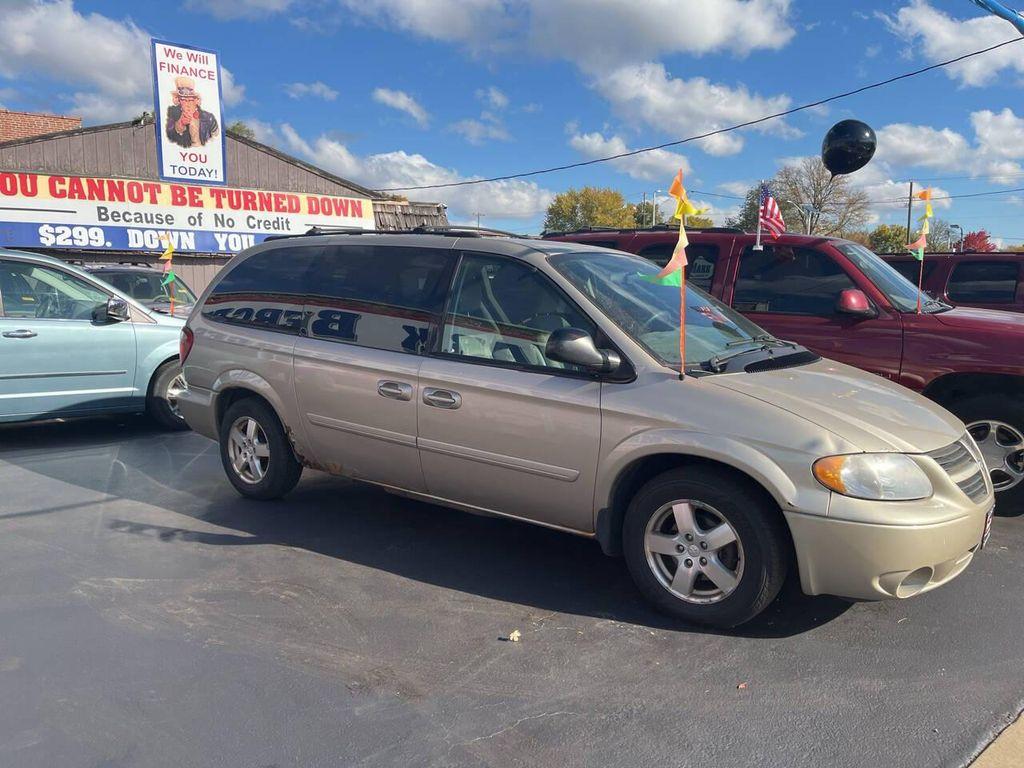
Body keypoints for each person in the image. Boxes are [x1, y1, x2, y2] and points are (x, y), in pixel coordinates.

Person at [165, 76, 219, 148]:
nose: (187, 104)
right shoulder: (173, 114)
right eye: (184, 100)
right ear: (179, 101)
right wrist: (180, 124)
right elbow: (169, 135)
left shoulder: (209, 118)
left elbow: (216, 139)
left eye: (190, 100)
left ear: (196, 101)